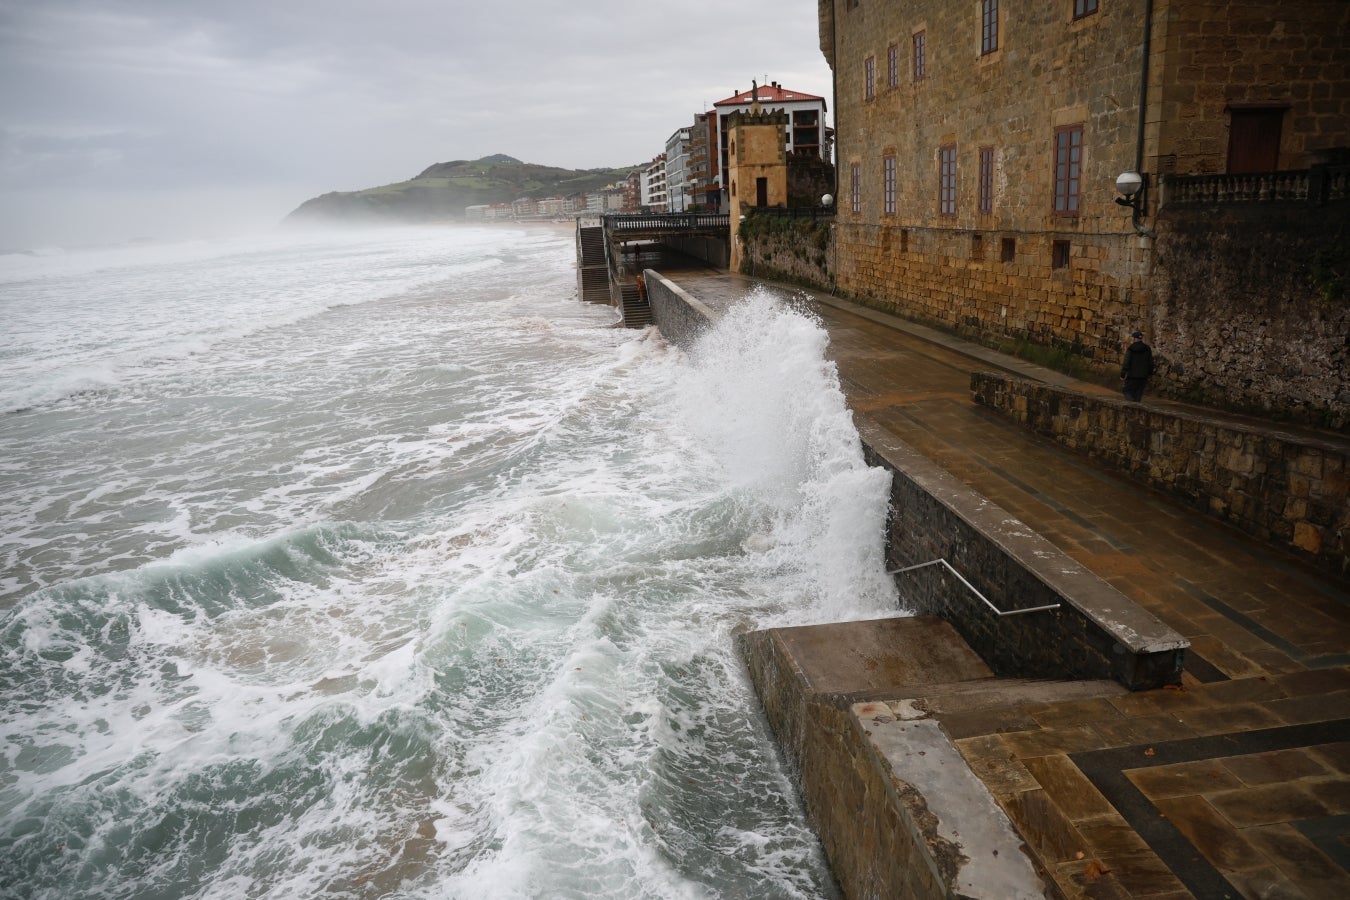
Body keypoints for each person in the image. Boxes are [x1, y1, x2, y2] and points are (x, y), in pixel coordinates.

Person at [1121, 330, 1154, 402]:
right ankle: (1135, 407)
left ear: (1134, 339)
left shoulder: (1131, 348)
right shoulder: (1147, 348)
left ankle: (1131, 403)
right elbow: (1150, 362)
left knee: (1126, 390)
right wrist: (1150, 374)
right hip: (1143, 376)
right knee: (1138, 394)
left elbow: (1126, 362)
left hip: (1132, 375)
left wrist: (1123, 374)